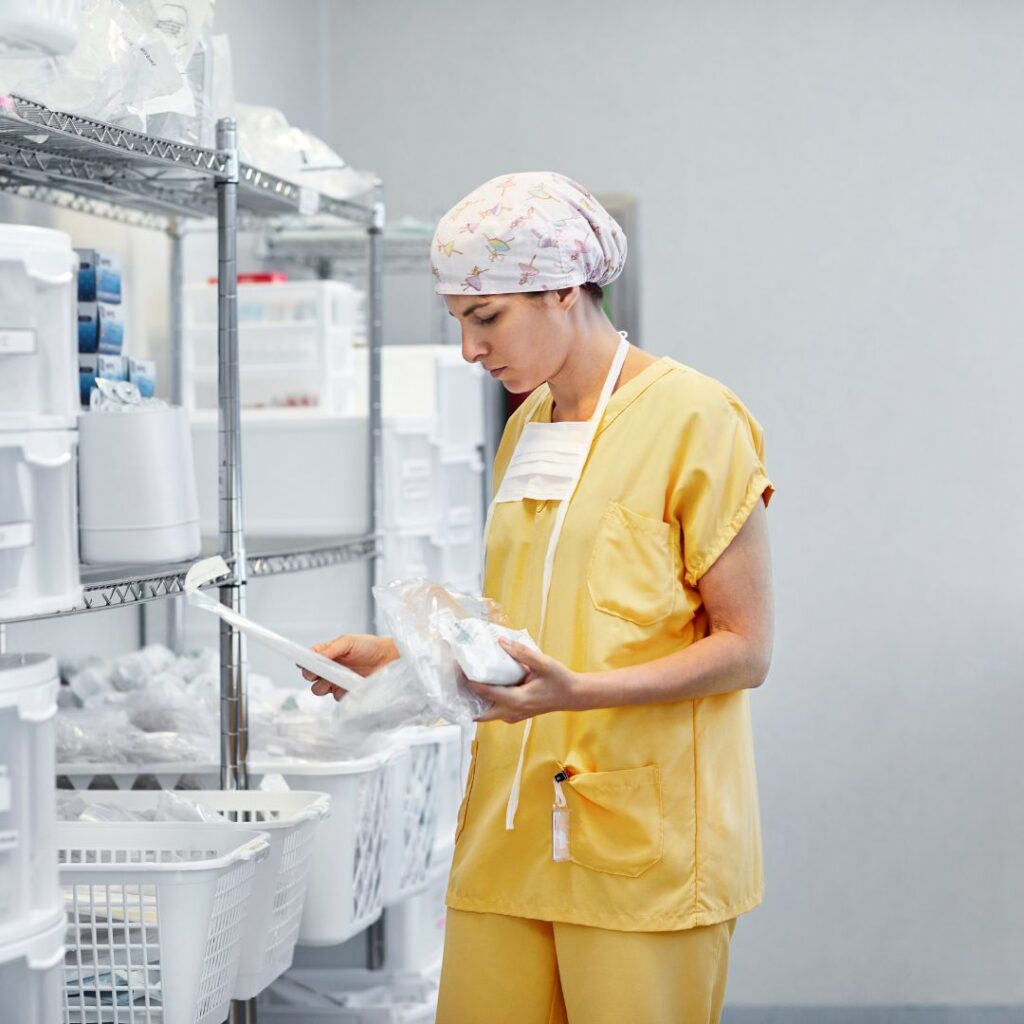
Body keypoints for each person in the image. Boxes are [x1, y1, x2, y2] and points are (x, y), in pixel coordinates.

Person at [304, 172, 776, 1024]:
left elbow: (746, 649)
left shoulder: (697, 419)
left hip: (640, 838)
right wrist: (405, 659)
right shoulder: (526, 426)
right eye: (458, 322)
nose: (469, 350)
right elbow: (530, 621)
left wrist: (581, 694)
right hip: (511, 831)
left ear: (566, 288)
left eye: (486, 318)